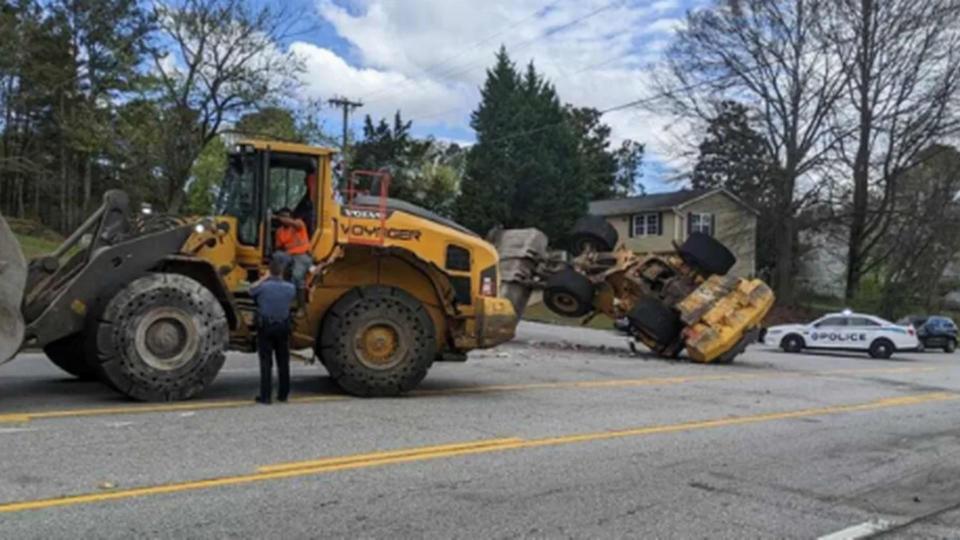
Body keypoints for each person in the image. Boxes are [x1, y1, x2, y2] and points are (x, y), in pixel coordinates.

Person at [250, 256, 296, 404]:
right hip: (283, 326)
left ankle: (266, 397)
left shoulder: (262, 287)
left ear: (269, 272)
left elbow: (250, 290)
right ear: (281, 272)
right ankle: (283, 394)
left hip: (266, 327)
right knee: (283, 362)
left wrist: (264, 279)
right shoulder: (290, 288)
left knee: (266, 363)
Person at [273, 207, 312, 295]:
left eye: (286, 217)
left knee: (297, 276)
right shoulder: (279, 231)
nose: (284, 219)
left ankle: (300, 303)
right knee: (277, 256)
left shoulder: (298, 224)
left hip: (302, 255)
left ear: (291, 217)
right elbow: (279, 247)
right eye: (282, 216)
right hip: (288, 255)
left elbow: (296, 224)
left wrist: (282, 218)